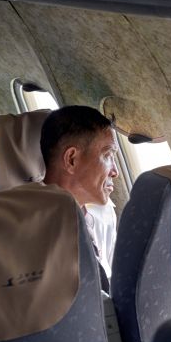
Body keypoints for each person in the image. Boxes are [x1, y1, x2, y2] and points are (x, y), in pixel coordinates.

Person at [40, 105, 119, 292]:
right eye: (107, 155)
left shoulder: (104, 213)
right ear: (71, 159)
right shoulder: (29, 223)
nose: (115, 172)